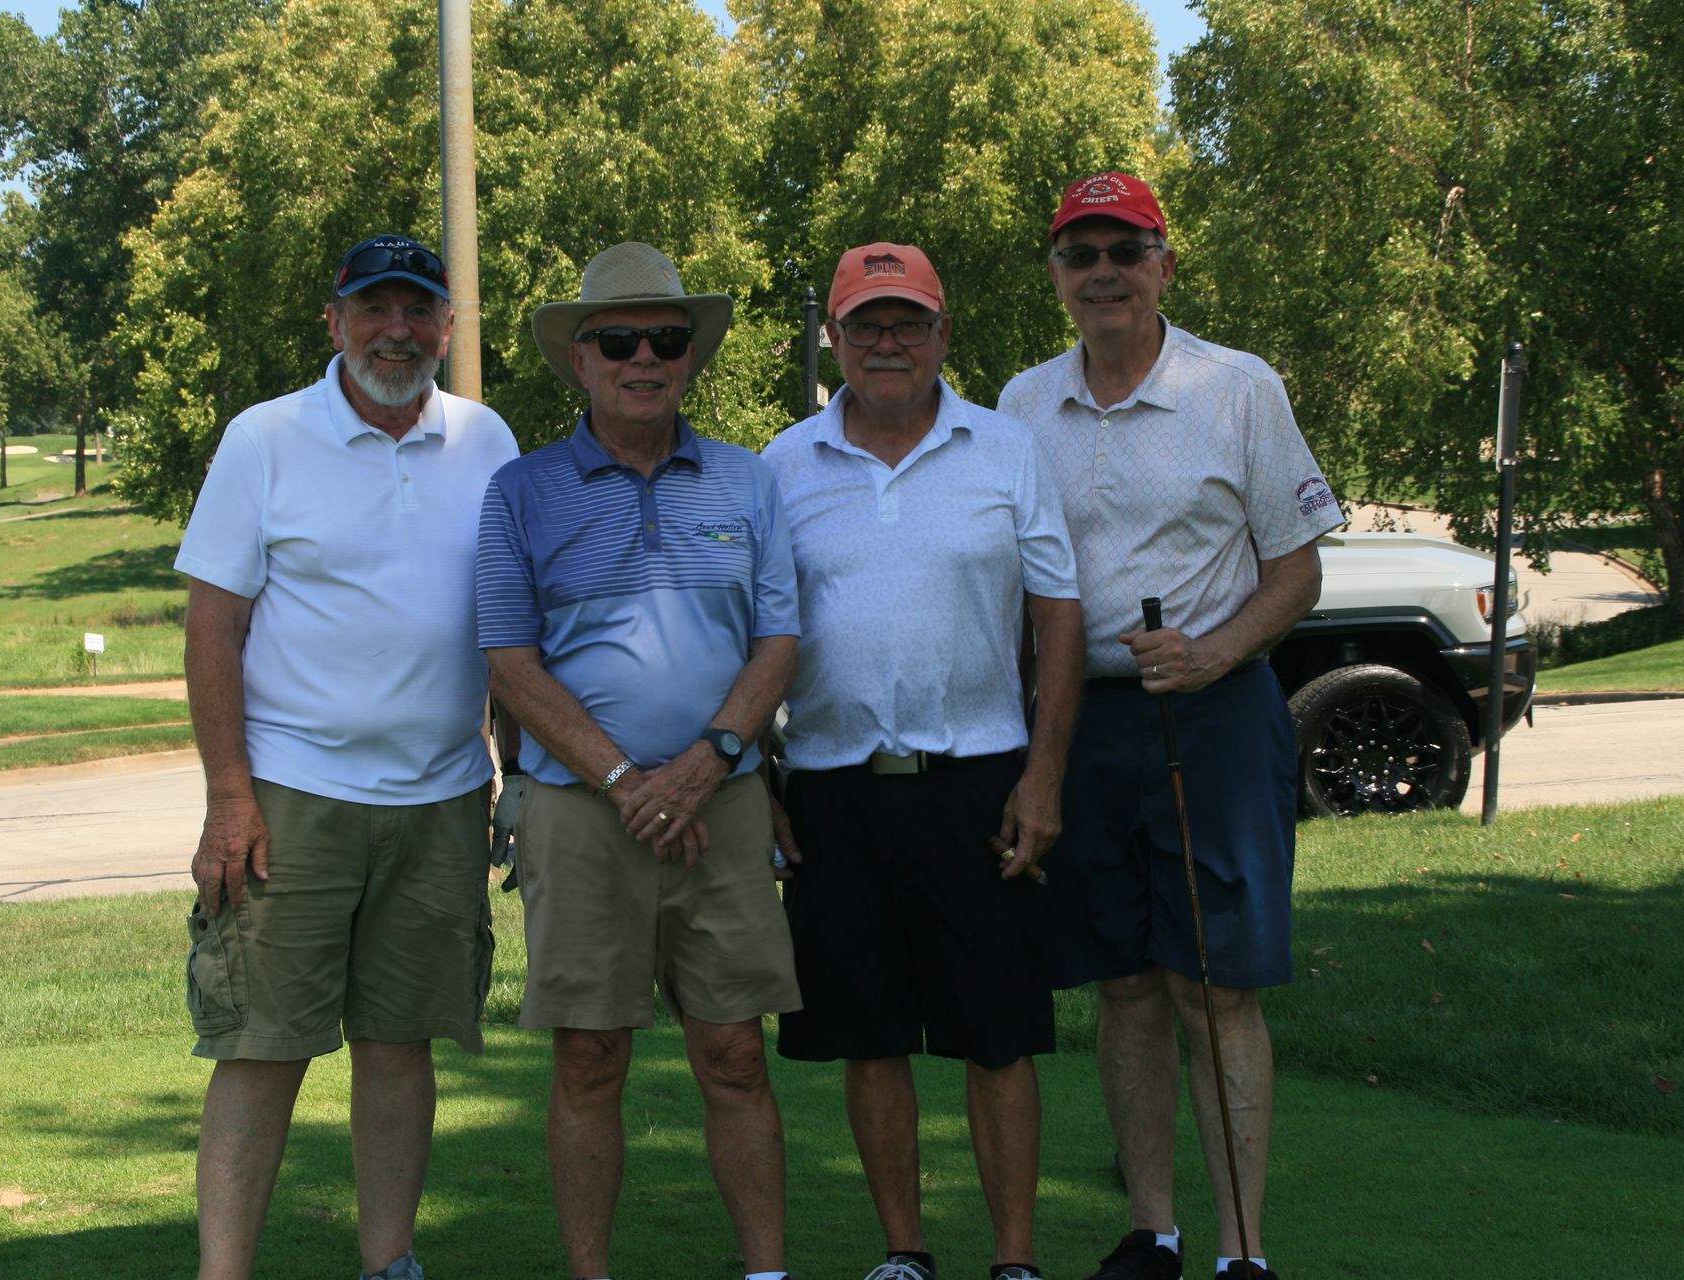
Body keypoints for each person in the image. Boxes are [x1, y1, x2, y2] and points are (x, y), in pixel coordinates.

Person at [998, 174, 1343, 1280]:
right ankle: (1155, 1229)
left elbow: (1299, 569)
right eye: (1080, 252)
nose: (1103, 270)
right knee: (1127, 980)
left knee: (1215, 983)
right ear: (1057, 274)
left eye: (1125, 249)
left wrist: (1217, 650)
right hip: (1083, 715)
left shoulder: (1237, 387)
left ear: (1165, 264)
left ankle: (1242, 1249)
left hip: (1216, 710)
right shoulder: (1021, 402)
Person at [178, 234, 519, 1280]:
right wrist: (228, 795)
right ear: (335, 321)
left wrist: (513, 773)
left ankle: (391, 1261)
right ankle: (223, 1269)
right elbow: (211, 625)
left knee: (400, 1041)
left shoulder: (487, 438)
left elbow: (509, 627)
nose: (397, 330)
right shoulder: (266, 437)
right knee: (262, 1043)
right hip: (292, 797)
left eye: (419, 309)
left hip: (444, 796)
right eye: (374, 308)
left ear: (449, 326)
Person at [476, 241, 802, 1280]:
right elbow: (510, 662)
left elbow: (779, 644)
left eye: (667, 337)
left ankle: (766, 1270)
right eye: (620, 339)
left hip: (727, 800)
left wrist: (702, 764)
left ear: (690, 355)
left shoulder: (750, 481)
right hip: (583, 811)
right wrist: (626, 780)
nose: (644, 356)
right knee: (588, 1055)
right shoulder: (520, 492)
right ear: (581, 358)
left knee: (735, 1052)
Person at [763, 242, 1085, 1280]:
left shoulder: (1005, 448)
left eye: (907, 323)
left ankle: (1016, 1258)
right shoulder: (784, 461)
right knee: (870, 1032)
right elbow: (759, 630)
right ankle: (904, 1248)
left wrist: (1043, 774)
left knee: (997, 1034)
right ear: (837, 338)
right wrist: (764, 781)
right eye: (866, 324)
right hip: (833, 786)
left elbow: (1059, 613)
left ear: (944, 334)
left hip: (980, 781)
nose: (887, 342)